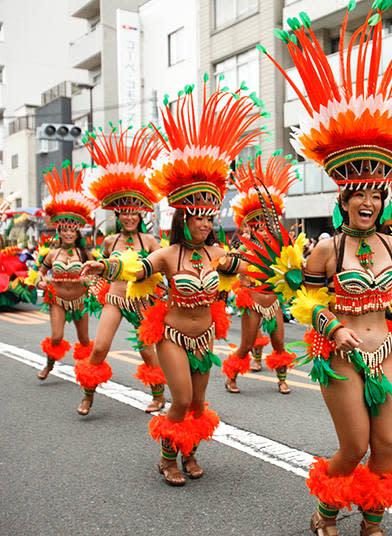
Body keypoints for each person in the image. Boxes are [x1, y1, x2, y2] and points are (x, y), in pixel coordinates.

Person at [259, 5, 392, 534]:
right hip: (339, 355)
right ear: (344, 197)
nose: (368, 199)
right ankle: (326, 511)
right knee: (355, 445)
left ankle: (371, 524)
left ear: (384, 197)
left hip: (385, 350)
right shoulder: (325, 248)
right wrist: (334, 328)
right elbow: (308, 305)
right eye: (359, 191)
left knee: (386, 445)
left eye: (377, 191)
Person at [82, 80, 264, 486]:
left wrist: (274, 263)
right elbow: (136, 269)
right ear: (185, 218)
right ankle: (166, 459)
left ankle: (190, 453)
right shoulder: (166, 254)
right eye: (197, 215)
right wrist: (104, 267)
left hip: (206, 337)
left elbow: (248, 269)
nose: (204, 222)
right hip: (172, 334)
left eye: (209, 216)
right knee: (180, 398)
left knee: (198, 404)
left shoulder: (219, 255)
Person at [74, 127, 165, 416]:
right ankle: (88, 394)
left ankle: (159, 395)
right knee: (99, 347)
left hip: (142, 303)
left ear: (141, 215)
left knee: (148, 351)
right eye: (123, 211)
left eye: (133, 211)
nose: (128, 216)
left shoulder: (150, 242)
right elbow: (102, 271)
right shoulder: (110, 241)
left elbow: (159, 271)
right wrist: (92, 278)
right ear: (117, 214)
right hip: (115, 299)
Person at [222, 152, 298, 394]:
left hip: (273, 303)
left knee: (278, 343)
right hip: (252, 303)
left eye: (267, 226)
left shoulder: (279, 251)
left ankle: (282, 379)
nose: (264, 231)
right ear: (250, 229)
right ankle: (231, 376)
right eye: (258, 227)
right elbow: (227, 268)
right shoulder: (243, 251)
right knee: (245, 344)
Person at [34, 163, 97, 381]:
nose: (68, 233)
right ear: (59, 231)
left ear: (77, 231)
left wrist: (92, 282)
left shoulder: (86, 254)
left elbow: (99, 273)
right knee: (56, 336)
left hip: (80, 301)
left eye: (72, 229)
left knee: (85, 339)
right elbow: (39, 274)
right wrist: (40, 282)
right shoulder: (52, 254)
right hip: (58, 299)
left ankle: (86, 372)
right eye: (65, 229)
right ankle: (49, 365)